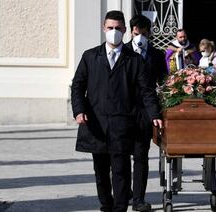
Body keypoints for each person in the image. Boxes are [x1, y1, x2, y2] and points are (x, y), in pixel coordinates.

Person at [71, 11, 162, 212]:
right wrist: (79, 110)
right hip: (97, 123)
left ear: (125, 31)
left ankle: (120, 207)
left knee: (121, 170)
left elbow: (147, 90)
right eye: (110, 28)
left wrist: (154, 114)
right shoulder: (90, 56)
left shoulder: (135, 60)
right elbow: (77, 85)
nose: (114, 32)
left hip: (123, 124)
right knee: (101, 171)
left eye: (118, 29)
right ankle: (106, 204)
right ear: (104, 28)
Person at [125, 14, 167, 211]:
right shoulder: (122, 51)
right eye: (136, 33)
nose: (139, 37)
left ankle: (138, 200)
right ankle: (124, 193)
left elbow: (164, 82)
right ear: (131, 32)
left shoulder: (157, 55)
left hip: (145, 113)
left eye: (143, 33)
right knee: (121, 156)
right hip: (123, 113)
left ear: (149, 33)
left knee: (141, 156)